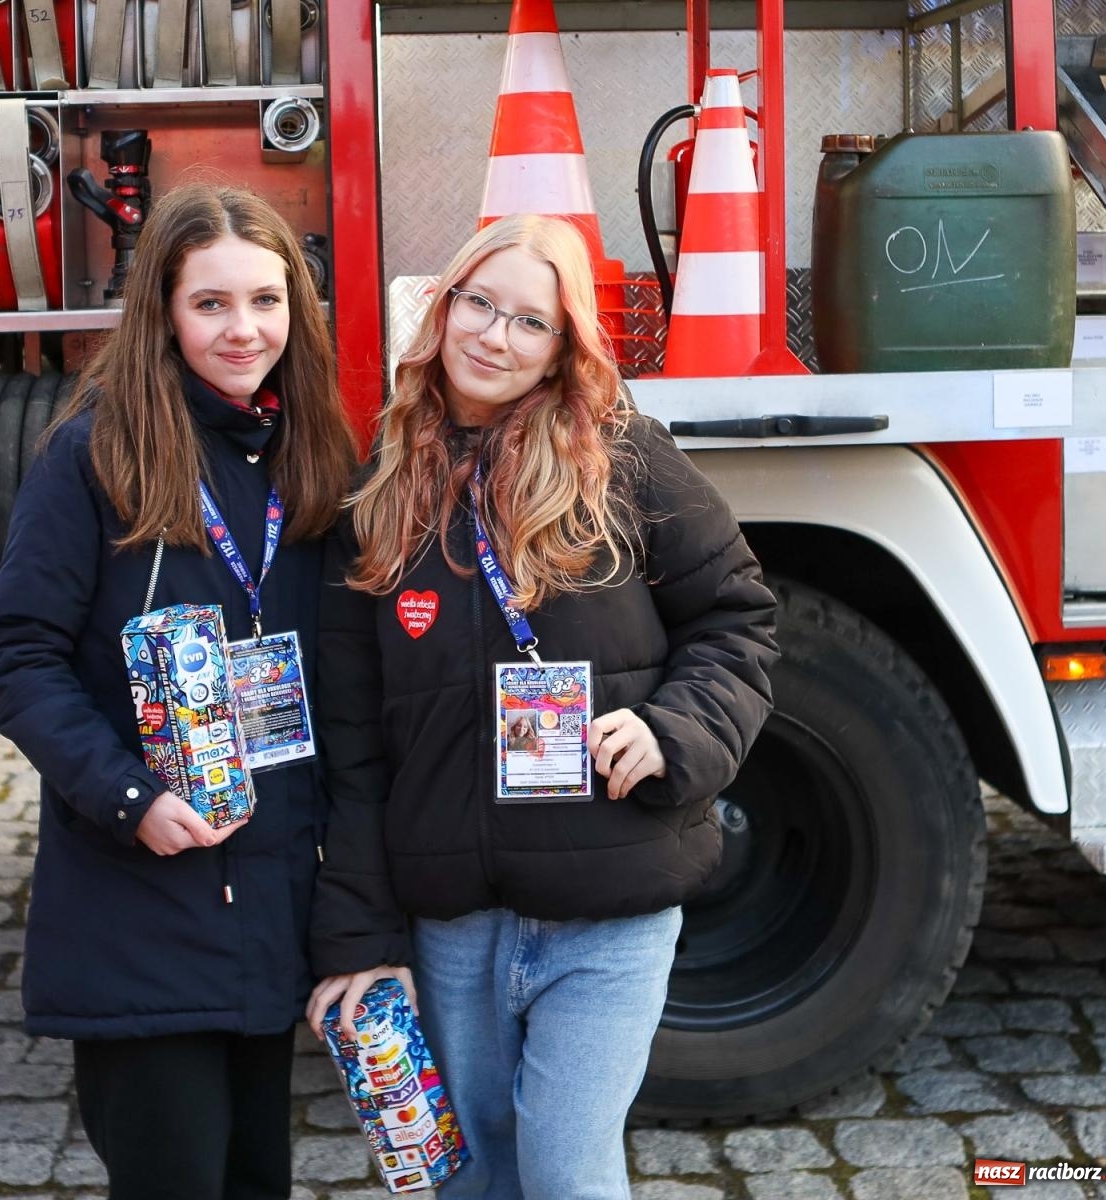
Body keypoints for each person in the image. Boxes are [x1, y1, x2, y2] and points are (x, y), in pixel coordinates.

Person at [305, 214, 778, 1199]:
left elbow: (737, 622)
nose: (495, 336)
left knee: (566, 1175)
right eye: (479, 304)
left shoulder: (626, 462)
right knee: (469, 1178)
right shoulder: (377, 502)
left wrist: (671, 732)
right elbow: (354, 755)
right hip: (456, 923)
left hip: (612, 911)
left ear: (563, 348)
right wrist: (355, 940)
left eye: (530, 321)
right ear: (441, 313)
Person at [0, 183, 356, 1200]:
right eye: (212, 304)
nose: (245, 330)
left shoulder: (307, 453)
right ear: (163, 312)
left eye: (267, 302)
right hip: (140, 898)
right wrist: (126, 797)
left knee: (253, 1182)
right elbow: (18, 656)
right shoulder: (94, 455)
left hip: (267, 899)